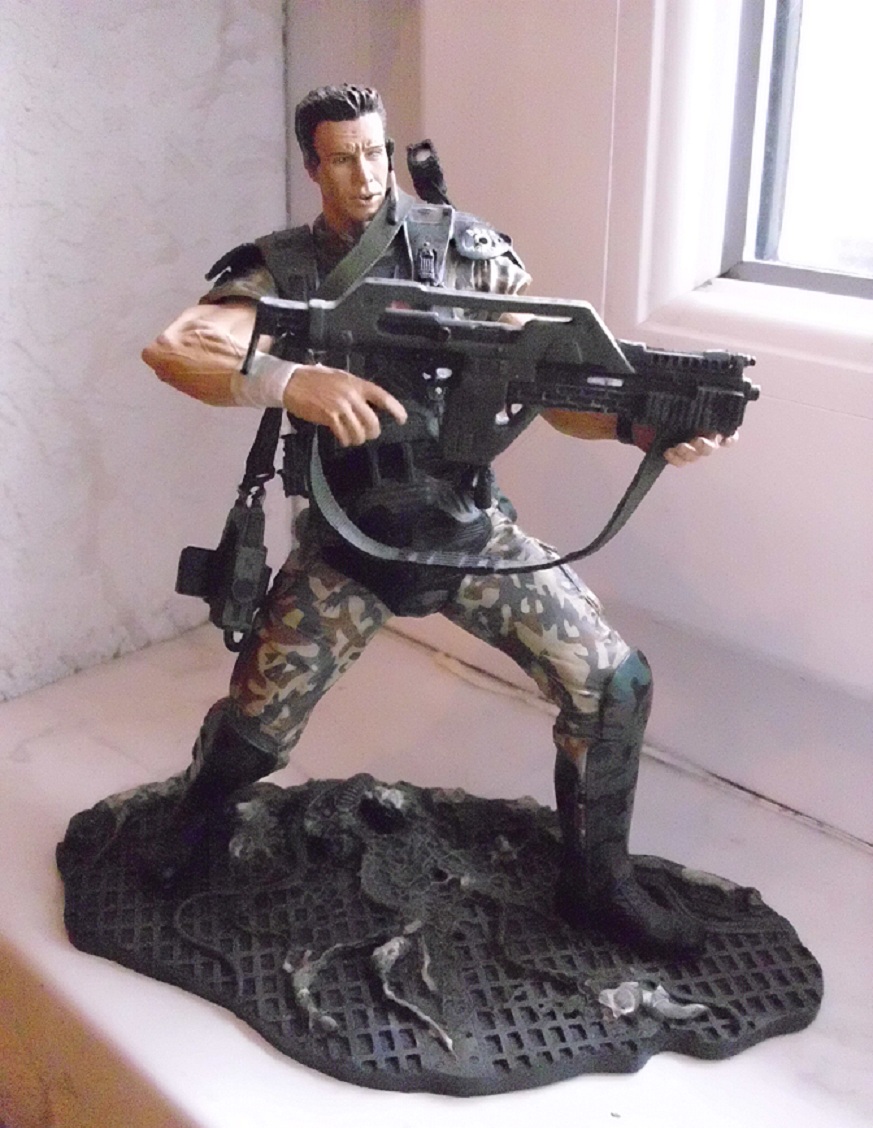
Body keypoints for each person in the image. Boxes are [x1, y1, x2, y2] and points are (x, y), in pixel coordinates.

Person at [142, 84, 735, 955]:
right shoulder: (285, 269)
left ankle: (597, 884)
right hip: (349, 548)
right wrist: (291, 381)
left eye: (375, 153)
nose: (364, 174)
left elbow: (555, 384)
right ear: (311, 166)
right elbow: (178, 346)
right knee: (256, 734)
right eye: (341, 158)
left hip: (467, 534)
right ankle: (194, 817)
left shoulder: (468, 254)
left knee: (612, 686)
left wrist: (639, 427)